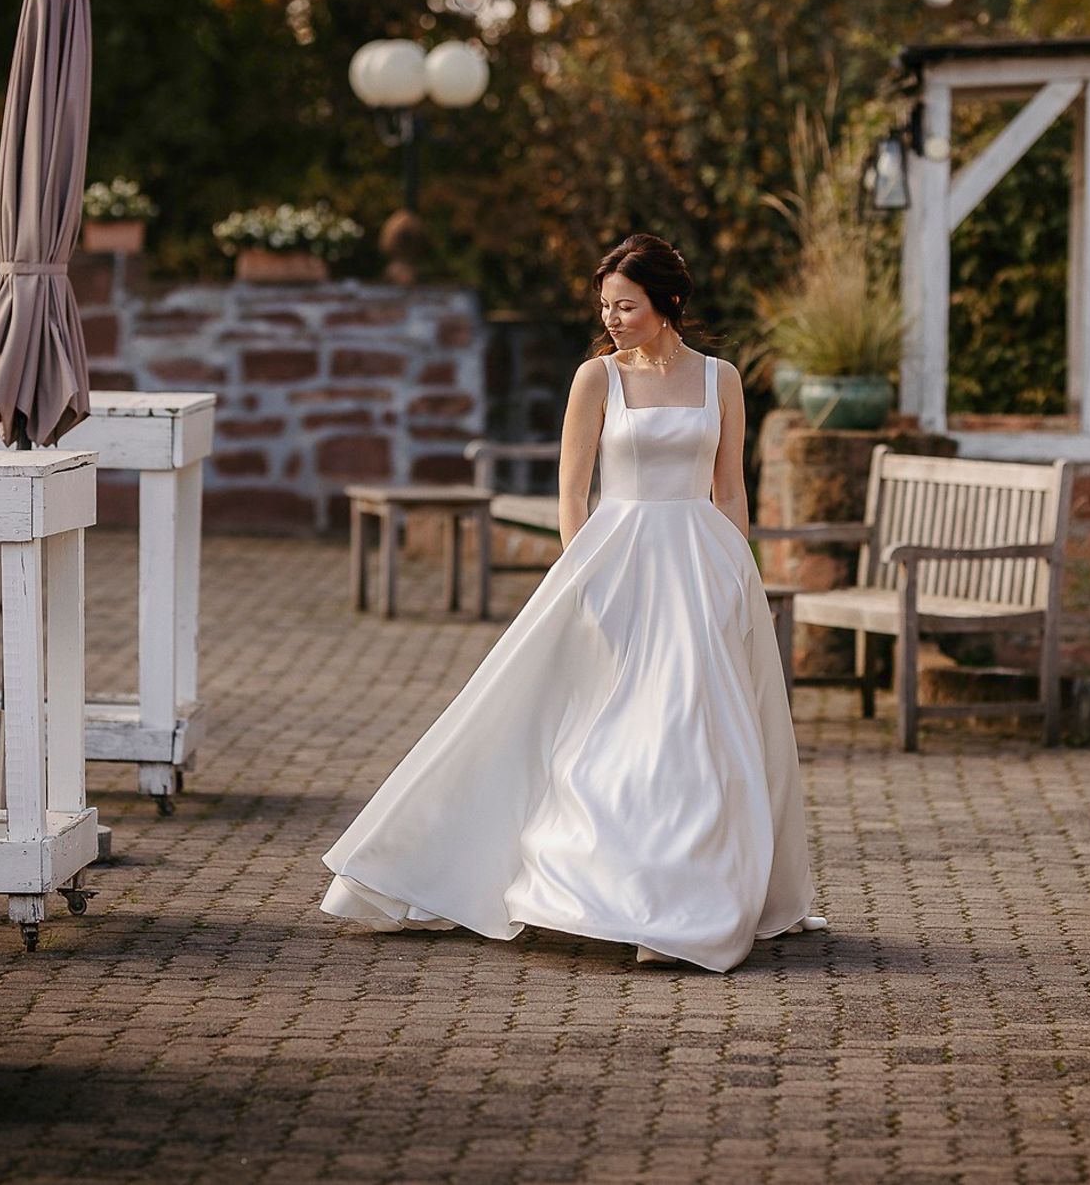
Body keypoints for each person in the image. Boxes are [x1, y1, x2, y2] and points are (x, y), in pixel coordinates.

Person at [321, 233, 823, 970]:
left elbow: (730, 487)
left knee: (693, 726)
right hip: (616, 562)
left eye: (627, 306)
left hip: (700, 564)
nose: (613, 318)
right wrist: (581, 573)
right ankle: (612, 893)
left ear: (668, 304)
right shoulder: (597, 379)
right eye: (606, 307)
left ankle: (683, 906)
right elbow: (571, 488)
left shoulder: (723, 380)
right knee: (607, 723)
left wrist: (737, 572)